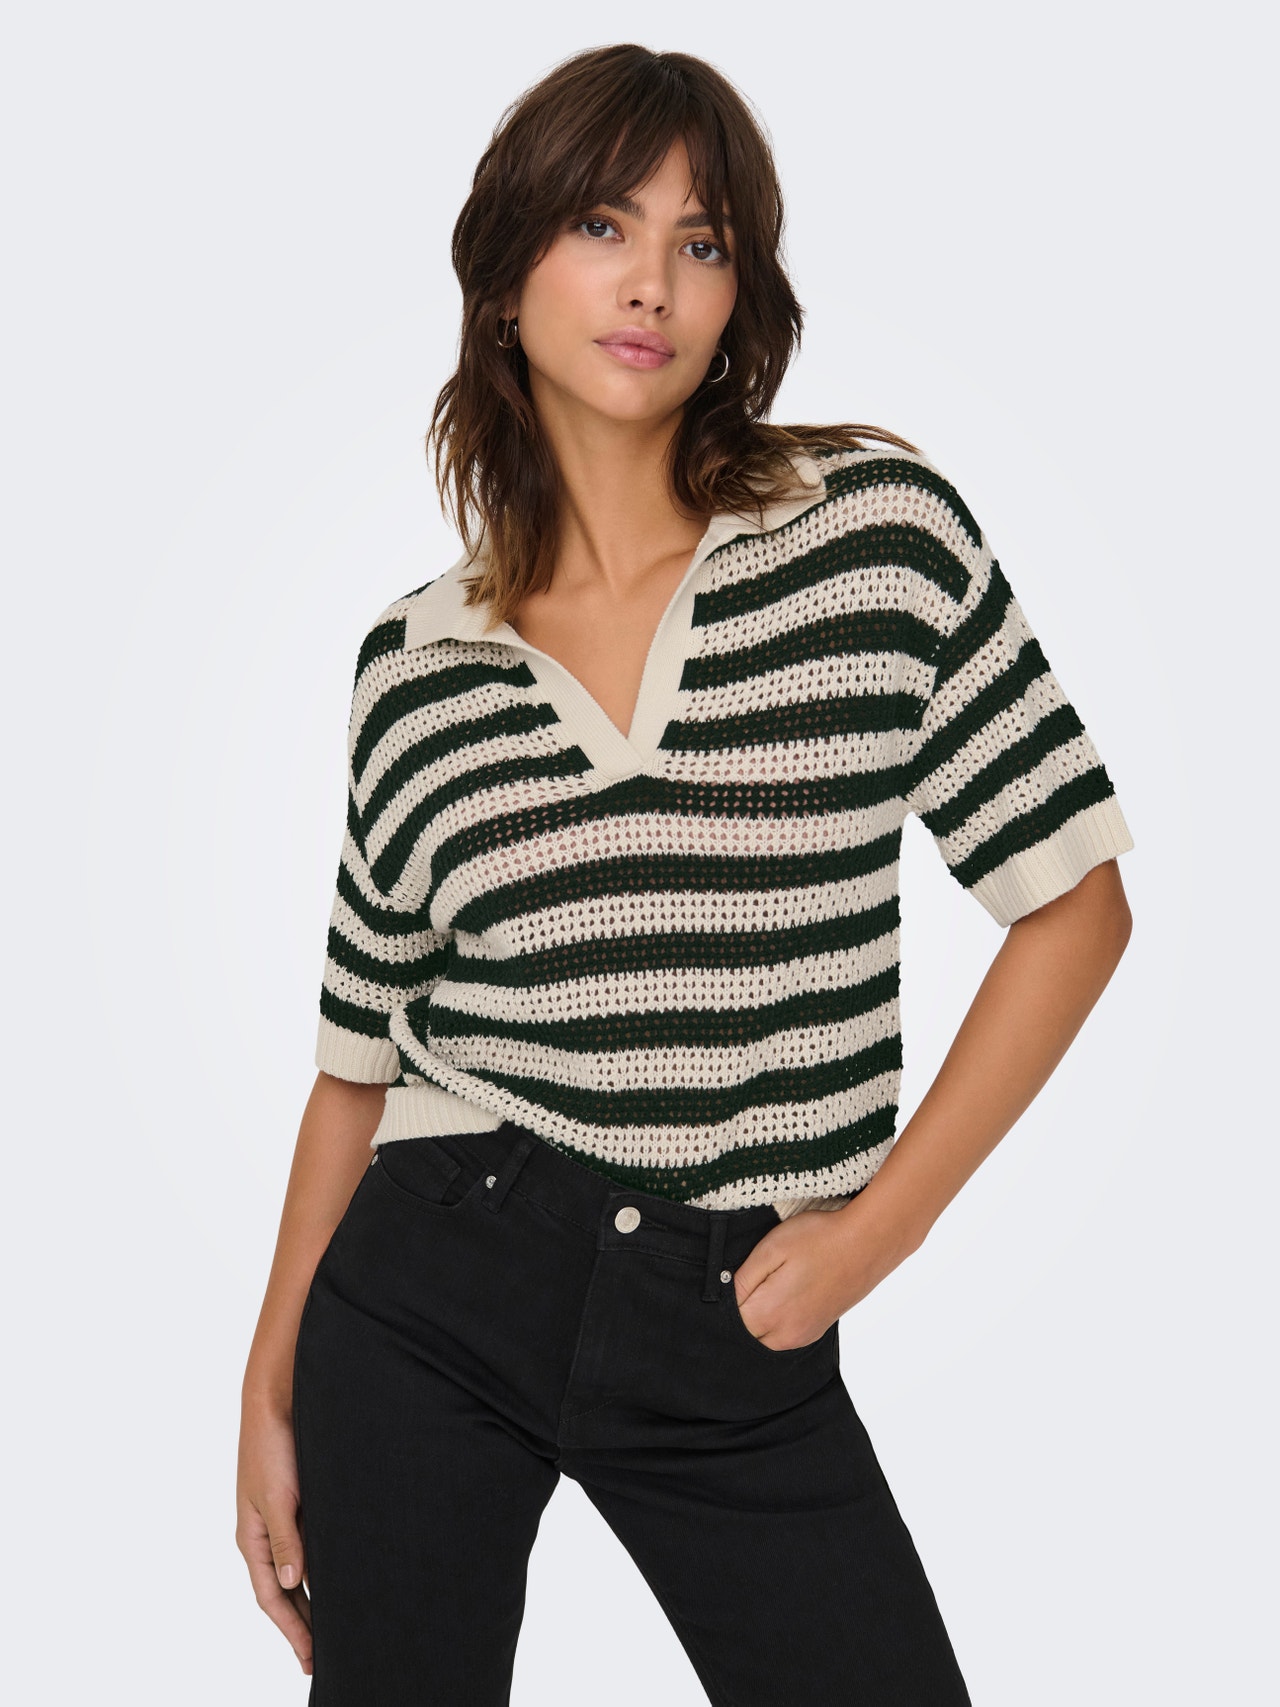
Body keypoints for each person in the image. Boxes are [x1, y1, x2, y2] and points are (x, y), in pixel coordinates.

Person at [236, 42, 1135, 1706]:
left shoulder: (871, 538)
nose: (651, 279)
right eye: (602, 223)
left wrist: (878, 1231)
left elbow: (1076, 906)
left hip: (739, 1313)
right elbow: (356, 1071)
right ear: (507, 273)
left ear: (738, 298)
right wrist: (265, 1393)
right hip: (432, 1290)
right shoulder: (416, 665)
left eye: (701, 240)